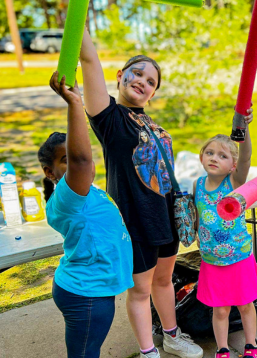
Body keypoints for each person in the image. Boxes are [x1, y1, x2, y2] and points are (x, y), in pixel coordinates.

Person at [78, 29, 203, 358]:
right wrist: (78, 16)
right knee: (139, 290)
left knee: (164, 282)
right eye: (137, 73)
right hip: (134, 219)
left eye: (151, 82)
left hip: (165, 217)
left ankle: (172, 337)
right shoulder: (110, 118)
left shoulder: (153, 124)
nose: (143, 82)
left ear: (153, 94)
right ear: (120, 76)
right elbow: (89, 59)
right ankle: (149, 352)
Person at [39, 72, 134, 358]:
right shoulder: (70, 197)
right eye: (65, 159)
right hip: (87, 294)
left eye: (81, 154)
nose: (83, 162)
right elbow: (81, 160)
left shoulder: (88, 192)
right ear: (49, 172)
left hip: (90, 288)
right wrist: (74, 103)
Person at [194, 126, 257, 358]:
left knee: (245, 305)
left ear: (232, 165)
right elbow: (198, 217)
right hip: (212, 260)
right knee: (220, 309)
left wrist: (245, 131)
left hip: (239, 258)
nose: (214, 158)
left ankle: (251, 344)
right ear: (201, 156)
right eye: (210, 152)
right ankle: (222, 348)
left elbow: (246, 157)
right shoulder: (197, 185)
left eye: (223, 156)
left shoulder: (234, 183)